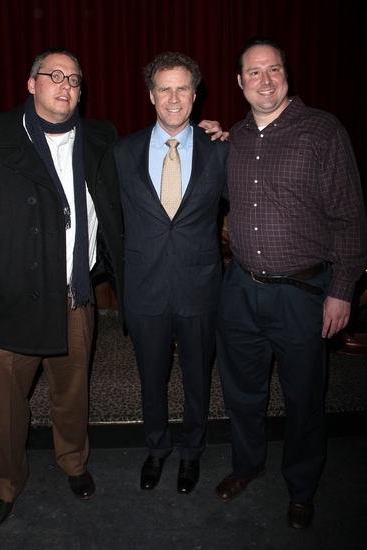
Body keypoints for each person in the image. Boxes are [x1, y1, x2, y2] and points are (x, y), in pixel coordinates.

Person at [214, 36, 367, 530]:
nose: (265, 79)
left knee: (304, 398)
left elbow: (349, 218)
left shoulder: (322, 131)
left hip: (303, 294)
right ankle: (247, 466)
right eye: (254, 72)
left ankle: (302, 487)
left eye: (273, 69)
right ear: (240, 82)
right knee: (241, 392)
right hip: (240, 288)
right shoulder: (232, 139)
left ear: (286, 76)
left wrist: (343, 288)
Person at [0, 47, 125, 529]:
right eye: (54, 75)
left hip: (74, 297)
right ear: (31, 84)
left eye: (75, 79)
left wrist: (207, 135)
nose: (66, 85)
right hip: (10, 299)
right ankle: (7, 484)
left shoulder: (101, 139)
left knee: (71, 393)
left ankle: (73, 463)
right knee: (8, 405)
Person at [113, 52, 229, 495]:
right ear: (151, 96)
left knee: (198, 379)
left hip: (200, 288)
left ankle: (191, 453)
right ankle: (157, 450)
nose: (174, 97)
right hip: (144, 289)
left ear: (195, 95)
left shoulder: (221, 149)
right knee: (151, 378)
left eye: (183, 88)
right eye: (165, 88)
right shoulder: (124, 151)